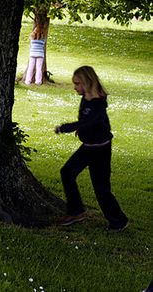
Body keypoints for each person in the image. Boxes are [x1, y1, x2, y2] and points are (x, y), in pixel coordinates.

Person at [55, 66, 128, 231]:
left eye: (77, 84)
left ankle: (118, 221)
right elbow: (85, 121)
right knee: (67, 172)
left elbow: (87, 121)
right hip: (88, 147)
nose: (75, 87)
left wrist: (65, 128)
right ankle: (76, 211)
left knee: (101, 188)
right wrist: (82, 132)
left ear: (87, 83)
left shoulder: (97, 104)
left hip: (100, 150)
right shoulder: (86, 97)